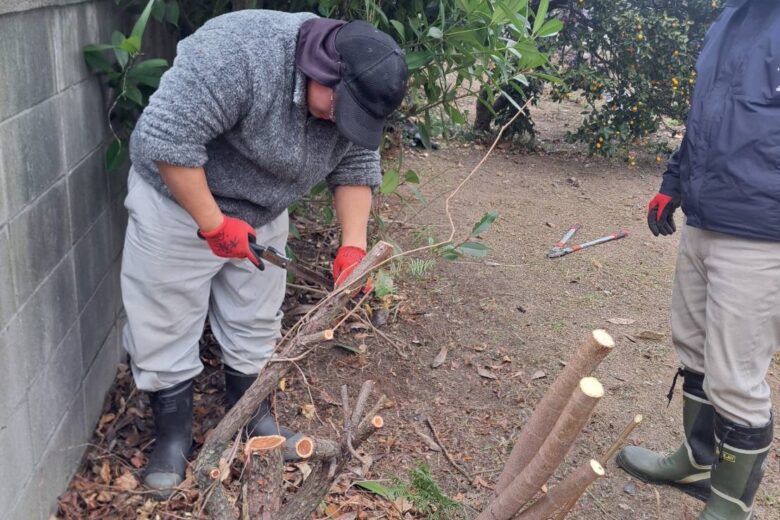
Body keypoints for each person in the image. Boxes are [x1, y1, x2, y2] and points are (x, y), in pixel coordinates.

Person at [122, 9, 407, 495]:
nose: (341, 122)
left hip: (262, 211)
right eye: (341, 109)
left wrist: (353, 246)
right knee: (164, 316)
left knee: (256, 318)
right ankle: (173, 435)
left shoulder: (350, 94)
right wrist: (213, 224)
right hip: (179, 201)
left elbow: (357, 159)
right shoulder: (238, 53)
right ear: (322, 70)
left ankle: (254, 417)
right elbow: (165, 138)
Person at [617, 1, 779, 518]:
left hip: (761, 228)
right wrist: (673, 182)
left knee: (735, 375)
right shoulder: (731, 17)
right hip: (705, 217)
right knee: (694, 346)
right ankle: (698, 459)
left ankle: (730, 504)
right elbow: (706, 113)